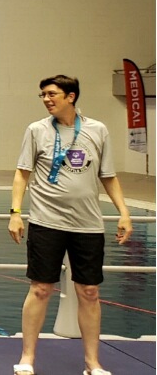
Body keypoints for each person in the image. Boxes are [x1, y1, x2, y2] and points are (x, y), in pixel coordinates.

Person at [8, 75, 133, 375]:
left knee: (89, 291)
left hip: (88, 225)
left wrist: (124, 213)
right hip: (46, 222)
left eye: (52, 94)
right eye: (43, 95)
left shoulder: (97, 130)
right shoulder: (36, 130)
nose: (46, 99)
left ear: (71, 96)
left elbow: (108, 176)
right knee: (40, 288)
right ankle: (27, 359)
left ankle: (92, 363)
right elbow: (21, 174)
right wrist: (15, 212)